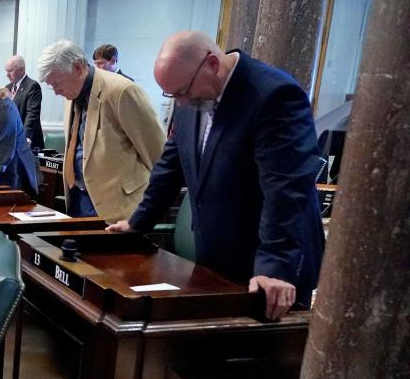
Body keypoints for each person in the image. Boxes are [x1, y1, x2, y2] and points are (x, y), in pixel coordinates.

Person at [107, 30, 325, 320]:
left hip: (266, 268)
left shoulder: (273, 95)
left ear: (211, 63)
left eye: (183, 92)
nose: (180, 102)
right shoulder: (191, 99)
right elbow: (170, 167)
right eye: (172, 95)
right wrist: (138, 222)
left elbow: (285, 190)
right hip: (216, 261)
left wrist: (275, 267)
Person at [38, 39, 165, 222]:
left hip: (118, 208)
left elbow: (157, 154)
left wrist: (149, 212)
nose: (56, 92)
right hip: (77, 198)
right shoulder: (70, 95)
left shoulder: (122, 91)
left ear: (78, 67)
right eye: (52, 87)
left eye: (57, 84)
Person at [4, 55, 44, 150]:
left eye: (10, 71)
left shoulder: (32, 86)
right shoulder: (7, 88)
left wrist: (25, 138)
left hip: (28, 143)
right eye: (6, 71)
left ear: (21, 70)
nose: (7, 75)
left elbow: (32, 115)